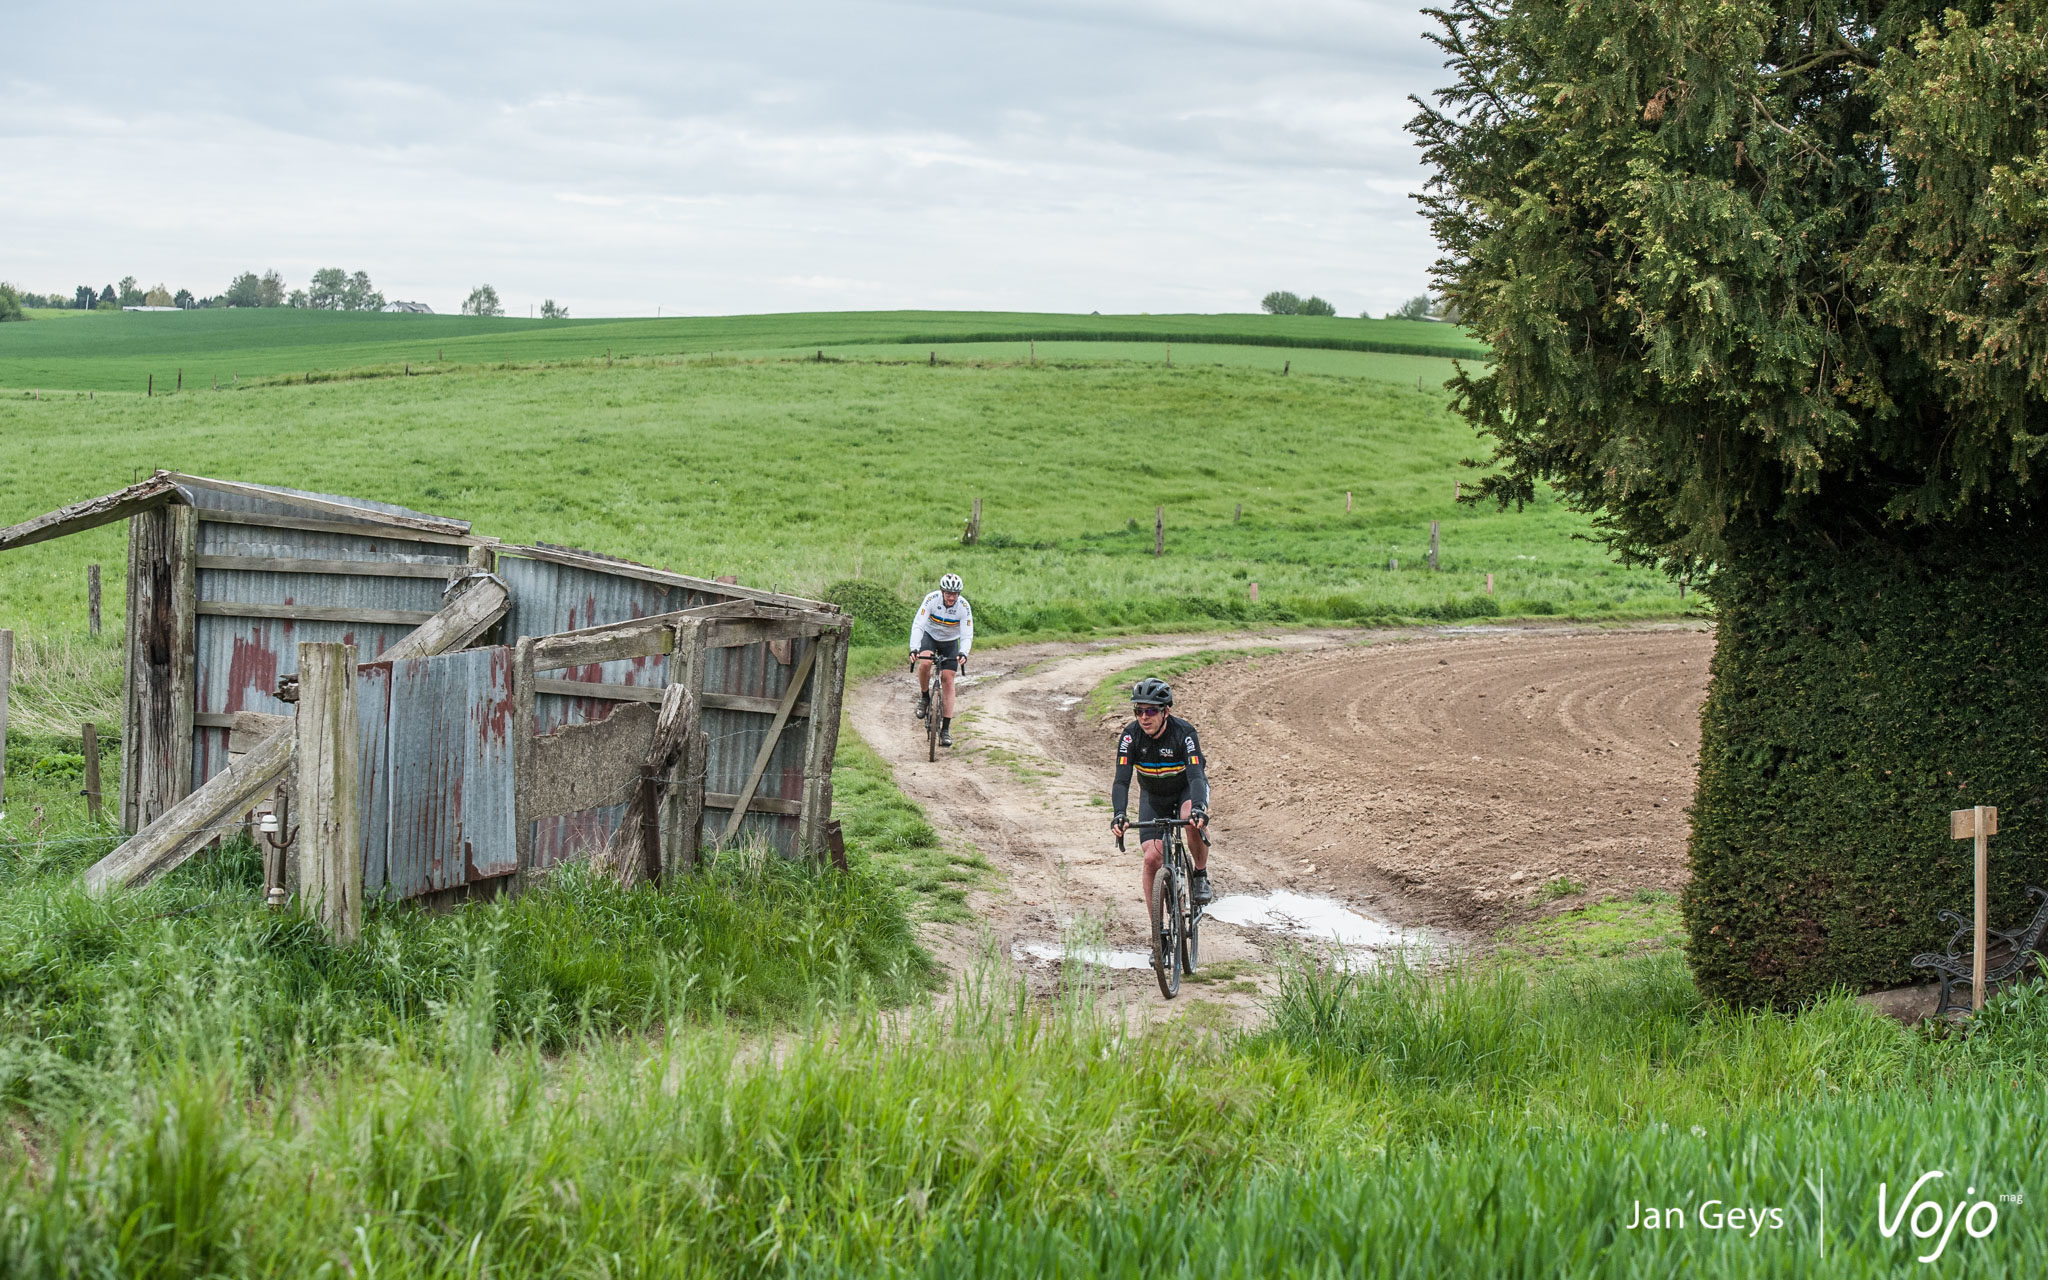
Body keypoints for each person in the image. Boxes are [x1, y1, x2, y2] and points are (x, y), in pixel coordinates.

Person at [1109, 676, 1212, 912]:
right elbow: (1121, 781)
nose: (1144, 717)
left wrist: (1198, 807)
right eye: (1139, 710)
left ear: (1166, 711)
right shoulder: (1130, 737)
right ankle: (1158, 936)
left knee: (1191, 820)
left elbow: (1196, 775)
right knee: (1151, 860)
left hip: (1185, 788)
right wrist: (1119, 814)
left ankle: (1200, 874)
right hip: (1153, 795)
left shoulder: (1184, 733)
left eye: (1151, 711)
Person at [909, 572, 974, 748]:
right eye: (948, 593)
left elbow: (967, 634)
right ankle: (924, 697)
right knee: (925, 663)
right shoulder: (931, 600)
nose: (951, 597)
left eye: (954, 594)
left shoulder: (964, 607)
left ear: (958, 594)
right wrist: (914, 648)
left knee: (948, 679)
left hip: (950, 641)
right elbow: (919, 624)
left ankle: (945, 729)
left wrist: (963, 652)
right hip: (930, 636)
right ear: (942, 591)